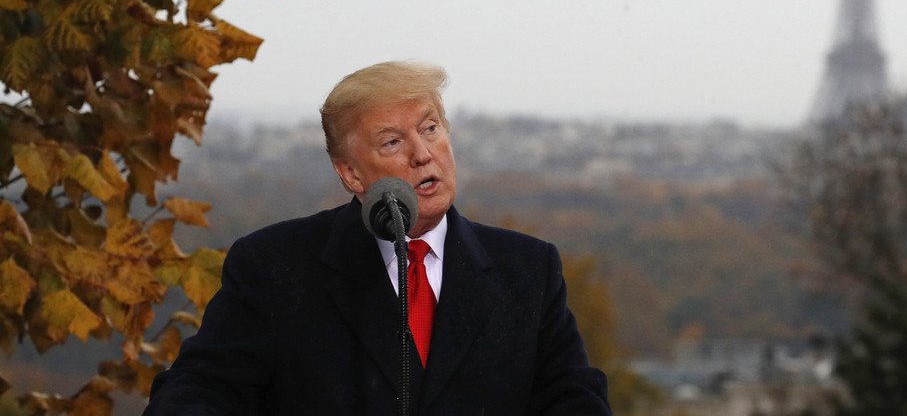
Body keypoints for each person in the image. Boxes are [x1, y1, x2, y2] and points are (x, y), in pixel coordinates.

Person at [143, 60, 612, 415]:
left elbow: (575, 400)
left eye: (430, 128)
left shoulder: (529, 269)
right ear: (350, 173)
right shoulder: (274, 266)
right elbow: (195, 393)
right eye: (392, 142)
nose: (423, 153)